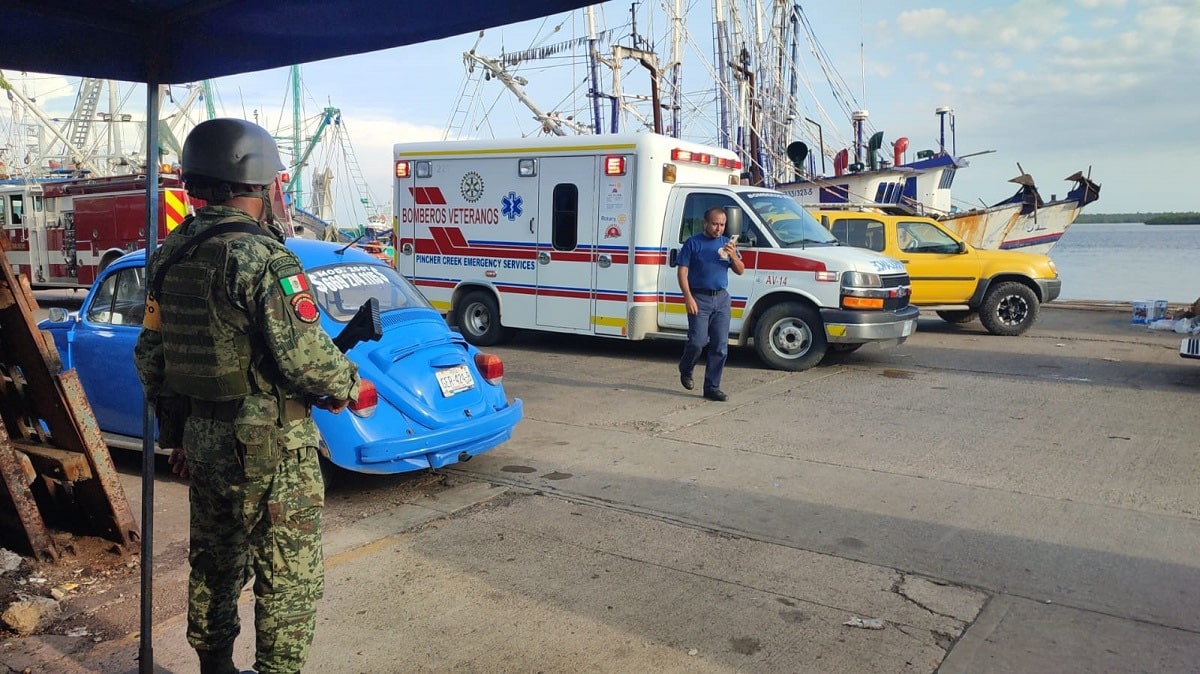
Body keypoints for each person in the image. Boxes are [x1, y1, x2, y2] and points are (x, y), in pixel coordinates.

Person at [134, 118, 360, 674]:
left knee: (214, 562)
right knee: (288, 577)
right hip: (272, 447)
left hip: (205, 440)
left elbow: (151, 356)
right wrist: (347, 386)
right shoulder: (263, 259)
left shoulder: (171, 255)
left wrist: (178, 435)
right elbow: (307, 361)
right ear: (258, 185)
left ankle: (214, 666)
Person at [676, 206, 745, 402]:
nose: (719, 228)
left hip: (721, 299)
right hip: (699, 298)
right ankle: (686, 368)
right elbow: (682, 272)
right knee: (697, 342)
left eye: (722, 224)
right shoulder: (693, 243)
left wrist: (732, 255)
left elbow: (740, 270)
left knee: (720, 346)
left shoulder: (727, 244)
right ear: (705, 223)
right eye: (715, 224)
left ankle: (712, 387)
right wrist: (688, 297)